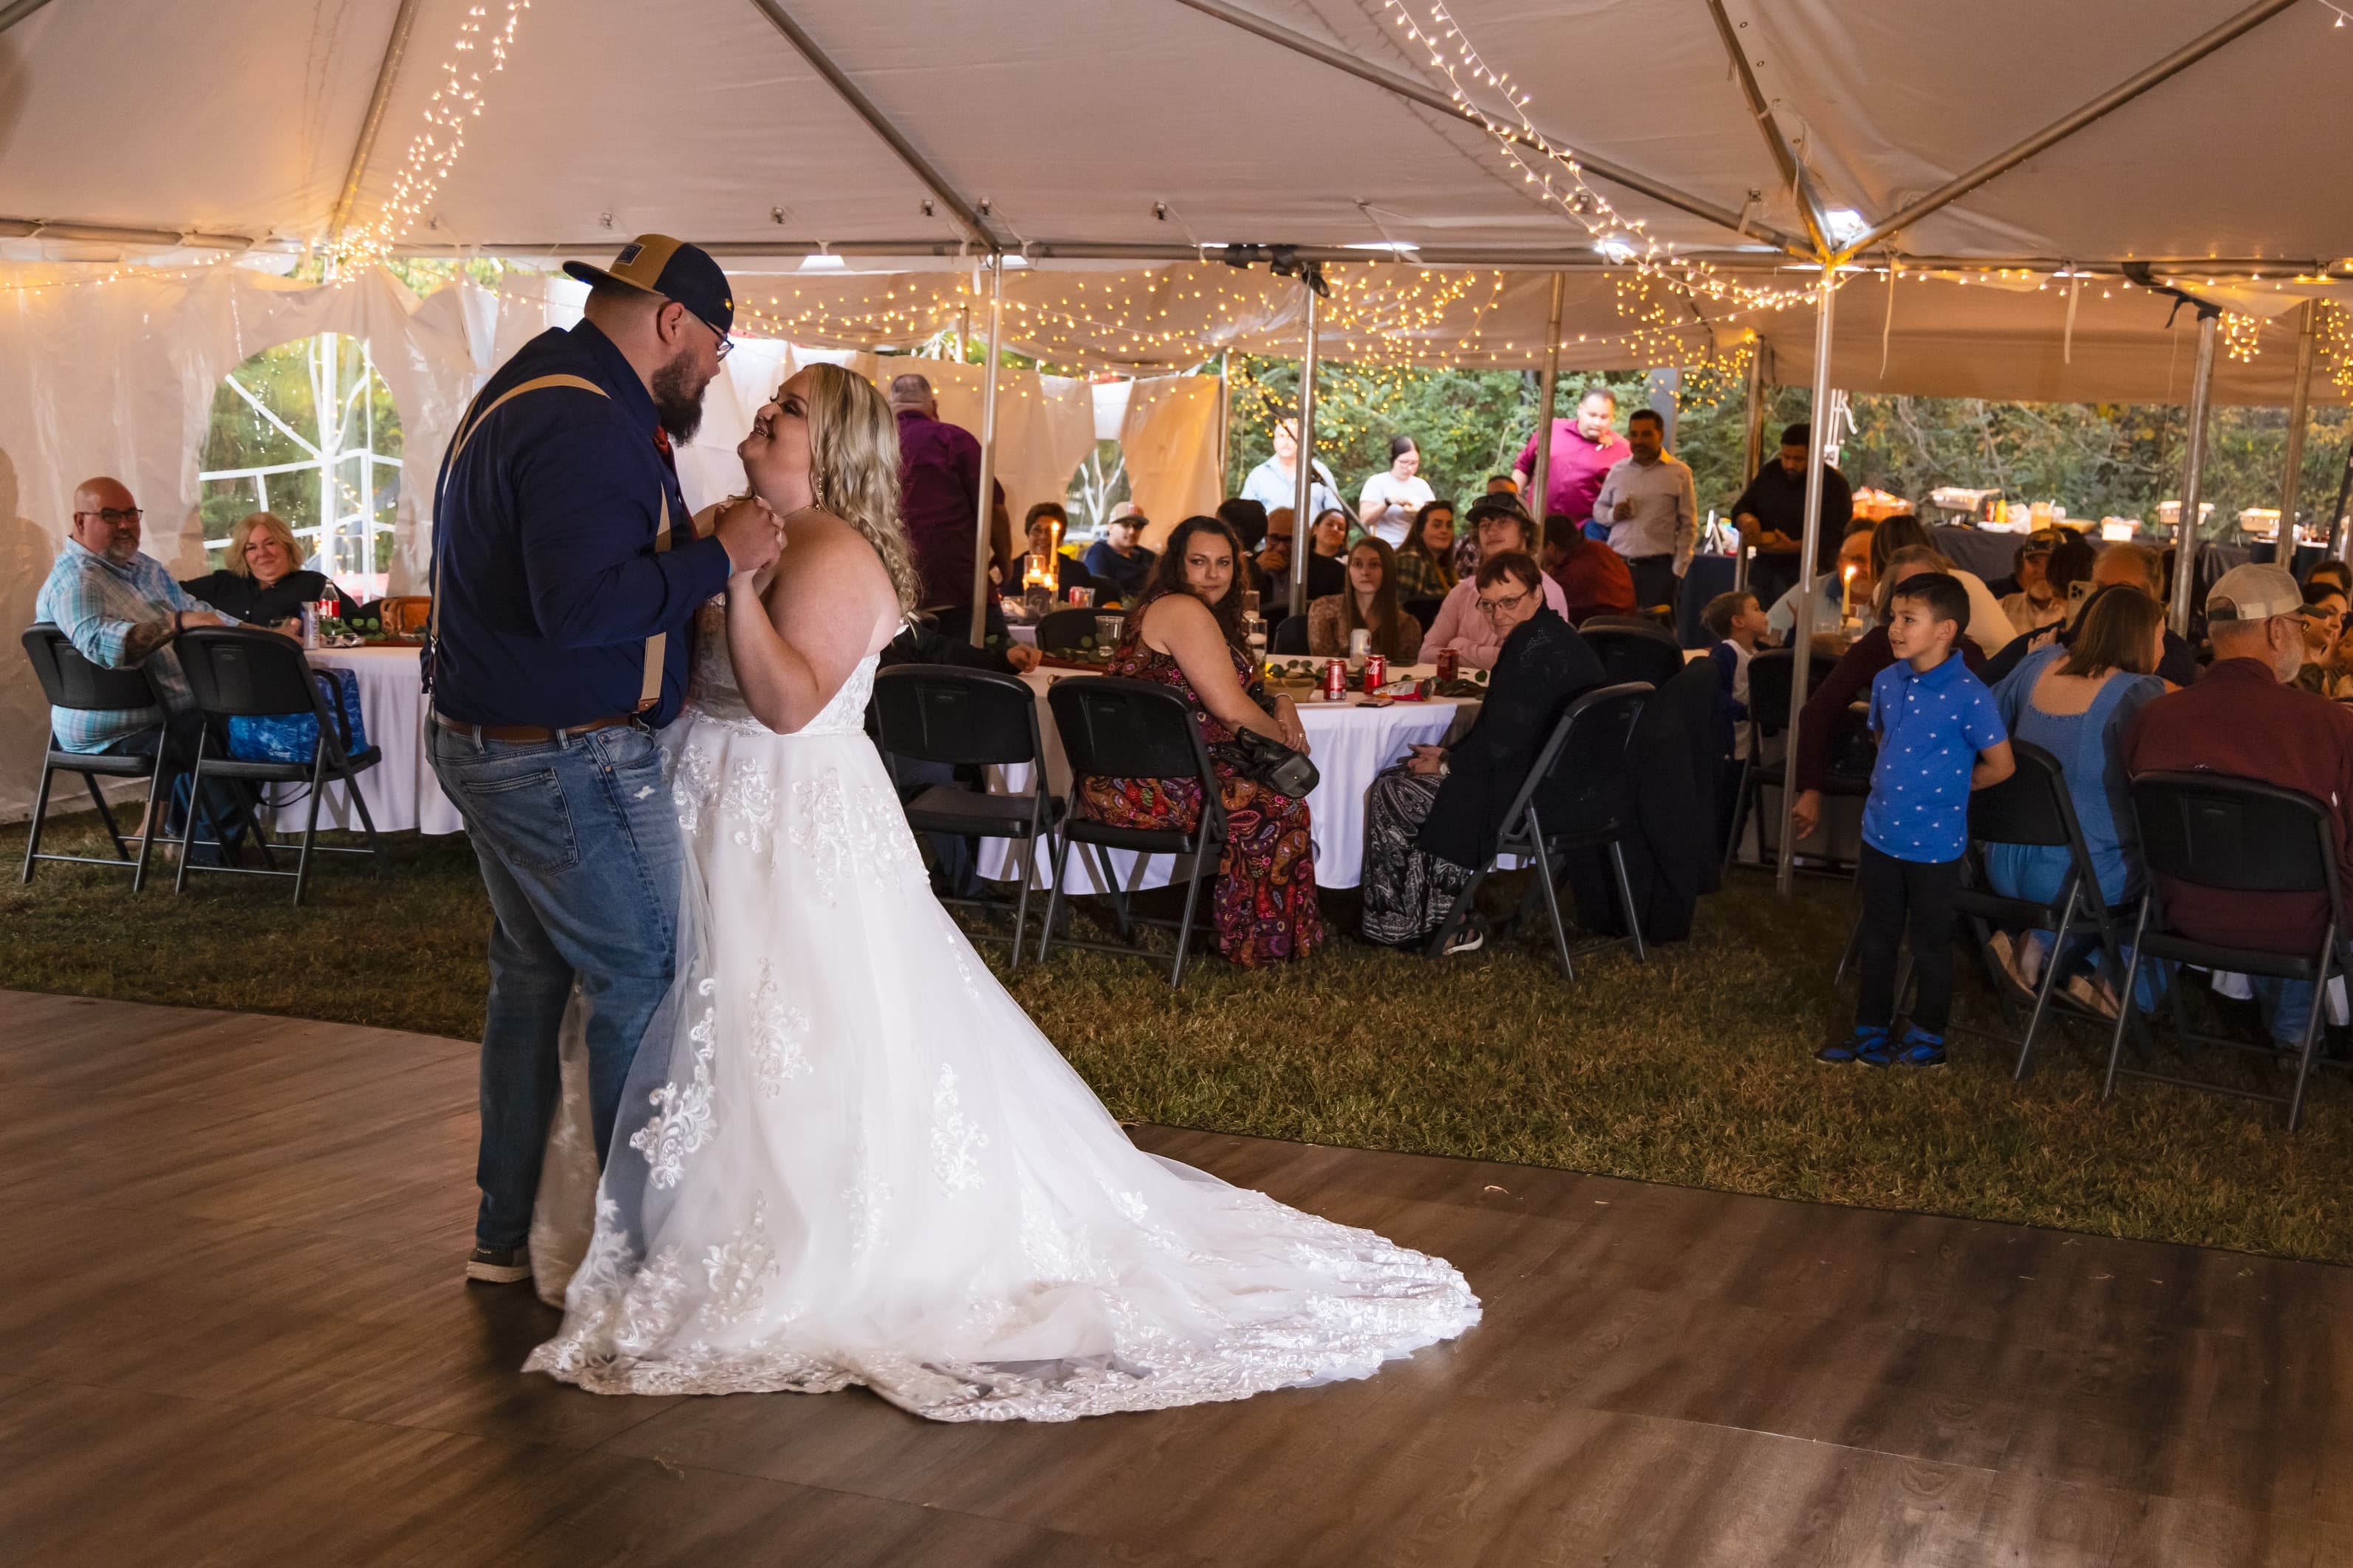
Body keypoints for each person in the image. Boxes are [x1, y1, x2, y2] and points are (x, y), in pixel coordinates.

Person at [523, 368, 1475, 1418]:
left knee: (796, 1016)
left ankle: (795, 1233)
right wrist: (711, 556)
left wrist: (739, 580)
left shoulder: (835, 552)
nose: (762, 411)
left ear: (829, 441)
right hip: (702, 789)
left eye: (786, 407)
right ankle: (666, 1215)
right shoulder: (728, 520)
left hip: (789, 808)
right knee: (690, 1006)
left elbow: (789, 703)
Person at [426, 235, 781, 1287]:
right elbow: (580, 609)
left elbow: (584, 563)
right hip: (562, 754)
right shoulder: (583, 421)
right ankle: (632, 1258)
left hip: (502, 740)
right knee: (647, 978)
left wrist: (687, 540)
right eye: (717, 346)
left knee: (532, 978)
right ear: (675, 320)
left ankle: (508, 1232)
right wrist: (724, 558)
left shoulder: (553, 382)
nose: (717, 371)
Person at [2123, 563, 2353, 1055]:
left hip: (2183, 911)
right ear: (2274, 629)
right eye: (2298, 623)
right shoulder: (2327, 723)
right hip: (2302, 924)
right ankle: (2299, 1036)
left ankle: (2287, 1027)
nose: (2300, 634)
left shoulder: (2153, 717)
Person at [1079, 514, 1326, 968]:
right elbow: (1230, 709)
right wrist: (1288, 744)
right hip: (1143, 787)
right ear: (1178, 564)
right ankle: (1256, 946)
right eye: (1199, 562)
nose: (1213, 574)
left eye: (1224, 563)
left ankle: (1253, 935)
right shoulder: (1181, 609)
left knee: (1272, 792)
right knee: (1277, 799)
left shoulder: (1196, 611)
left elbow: (1244, 692)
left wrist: (1284, 700)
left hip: (1147, 775)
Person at [1817, 572, 2014, 1068]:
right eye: (1893, 618)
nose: (1894, 629)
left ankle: (1928, 1036)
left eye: (1908, 619)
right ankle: (1871, 1030)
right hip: (1881, 832)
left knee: (1928, 941)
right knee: (1879, 935)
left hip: (1934, 843)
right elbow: (1884, 739)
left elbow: (2002, 764)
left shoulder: (1970, 695)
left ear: (1945, 629)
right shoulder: (1887, 680)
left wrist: (1954, 786)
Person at [1360, 551, 1605, 950]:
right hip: (1567, 788)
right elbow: (1507, 733)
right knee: (1408, 781)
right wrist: (1447, 758)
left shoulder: (1530, 647)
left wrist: (1447, 766)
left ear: (1537, 595)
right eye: (1488, 605)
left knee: (1395, 790)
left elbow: (1501, 741)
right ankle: (1432, 917)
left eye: (1510, 601)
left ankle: (1432, 923)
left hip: (1532, 800)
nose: (1498, 614)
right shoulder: (1553, 636)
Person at [33, 476, 244, 849]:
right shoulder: (78, 582)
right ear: (80, 522)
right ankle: (205, 849)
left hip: (162, 713)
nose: (126, 525)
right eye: (111, 515)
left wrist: (265, 636)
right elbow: (101, 646)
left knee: (223, 715)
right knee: (236, 729)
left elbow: (199, 611)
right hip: (111, 729)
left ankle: (183, 835)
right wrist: (175, 624)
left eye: (132, 514)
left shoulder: (142, 567)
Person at [1983, 586, 2168, 1010]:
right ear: (2139, 637)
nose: (2162, 647)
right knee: (2172, 880)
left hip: (2003, 860)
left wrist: (2029, 661)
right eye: (2160, 635)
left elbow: (1982, 720)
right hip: (2079, 879)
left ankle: (2037, 948)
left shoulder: (2039, 663)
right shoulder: (2139, 691)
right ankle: (2097, 974)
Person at [1789, 547, 1993, 853]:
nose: (1917, 598)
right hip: (1893, 792)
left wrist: (1959, 782)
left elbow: (1989, 735)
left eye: (1927, 587)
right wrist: (1811, 789)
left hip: (1951, 798)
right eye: (1906, 592)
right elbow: (1820, 709)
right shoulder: (1879, 648)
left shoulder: (1969, 655)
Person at [1982, 541, 2201, 690]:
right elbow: (1983, 684)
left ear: (2151, 598)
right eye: (2100, 589)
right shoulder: (2054, 640)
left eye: (2123, 592)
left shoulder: (2171, 653)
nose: (2107, 601)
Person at [889, 371, 1011, 610]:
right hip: (959, 586)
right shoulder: (955, 439)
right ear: (934, 405)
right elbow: (993, 507)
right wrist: (1005, 560)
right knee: (987, 648)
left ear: (889, 407)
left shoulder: (875, 444)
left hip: (894, 588)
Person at [1425, 498, 1572, 666]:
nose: (1492, 530)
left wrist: (1458, 647)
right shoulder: (1462, 591)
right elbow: (1426, 654)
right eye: (1484, 524)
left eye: (1503, 522)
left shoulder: (1544, 590)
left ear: (1526, 533)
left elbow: (1531, 659)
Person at [1730, 422, 1853, 614]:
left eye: (1798, 459)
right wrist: (1747, 520)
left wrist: (1796, 546)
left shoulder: (1834, 485)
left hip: (1809, 573)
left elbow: (1836, 535)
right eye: (1785, 457)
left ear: (1814, 456)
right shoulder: (1771, 473)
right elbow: (1742, 507)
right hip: (1765, 571)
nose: (1790, 465)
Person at [1590, 408, 1696, 610]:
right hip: (1618, 565)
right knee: (1615, 627)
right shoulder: (1618, 470)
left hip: (1658, 570)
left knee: (1652, 633)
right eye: (1634, 434)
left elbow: (1688, 525)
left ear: (1660, 435)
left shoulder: (1679, 473)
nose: (1639, 440)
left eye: (1646, 434)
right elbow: (1598, 510)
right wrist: (1614, 514)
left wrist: (1678, 570)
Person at [181, 510, 349, 627]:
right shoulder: (222, 583)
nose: (262, 553)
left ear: (286, 546)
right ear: (243, 554)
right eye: (251, 548)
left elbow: (358, 623)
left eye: (270, 543)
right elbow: (167, 593)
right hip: (222, 675)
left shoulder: (314, 584)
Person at [1511, 386, 1630, 530]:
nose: (1597, 423)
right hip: (1535, 523)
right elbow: (1523, 466)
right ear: (1579, 410)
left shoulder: (1621, 448)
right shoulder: (1553, 429)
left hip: (1583, 531)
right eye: (1592, 415)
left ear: (1612, 417)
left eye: (1604, 417)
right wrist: (1511, 503)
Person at [1308, 536, 1423, 662]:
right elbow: (1323, 666)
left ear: (1389, 570)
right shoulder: (1324, 610)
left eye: (1374, 565)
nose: (1365, 572)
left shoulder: (1407, 625)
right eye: (1358, 564)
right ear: (1349, 570)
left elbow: (1404, 675)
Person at [1766, 525, 1875, 648]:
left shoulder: (1891, 603)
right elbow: (1768, 635)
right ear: (1840, 560)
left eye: (1876, 562)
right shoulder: (1809, 593)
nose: (1867, 570)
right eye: (1859, 560)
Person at [1237, 412, 1343, 522]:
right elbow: (1245, 518)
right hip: (1269, 539)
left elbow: (1335, 514)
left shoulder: (1320, 472)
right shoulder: (1258, 475)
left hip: (1309, 539)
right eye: (1281, 436)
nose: (1285, 442)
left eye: (1291, 437)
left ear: (1301, 441)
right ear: (1274, 442)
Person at [1538, 513, 1635, 626]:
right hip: (1631, 626)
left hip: (1600, 636)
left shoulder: (1569, 578)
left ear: (1550, 547)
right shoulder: (1601, 548)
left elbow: (1545, 607)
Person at [1357, 434, 1436, 548]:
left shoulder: (1422, 485)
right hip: (1385, 548)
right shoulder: (1377, 482)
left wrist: (1419, 513)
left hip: (1416, 549)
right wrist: (1387, 503)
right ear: (1394, 459)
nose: (1409, 468)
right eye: (1404, 462)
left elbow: (1434, 518)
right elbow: (1365, 519)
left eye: (1414, 463)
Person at [1007, 502, 1093, 598]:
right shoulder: (1011, 570)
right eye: (1037, 530)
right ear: (1028, 535)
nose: (1043, 537)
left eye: (1050, 531)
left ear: (1060, 539)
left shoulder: (1077, 572)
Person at [1260, 505, 1345, 601]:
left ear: (1304, 541)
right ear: (1265, 538)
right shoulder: (1249, 568)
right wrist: (1256, 572)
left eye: (1289, 540)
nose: (1281, 548)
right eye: (1274, 538)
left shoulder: (1333, 573)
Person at [1995, 530, 2066, 637]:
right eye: (2034, 562)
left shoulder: (2075, 614)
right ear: (2022, 565)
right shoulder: (2003, 607)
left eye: (2050, 562)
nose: (2042, 570)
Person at [2290, 578, 2349, 698]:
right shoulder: (2283, 662)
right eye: (2330, 613)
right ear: (2304, 611)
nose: (2337, 624)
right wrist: (2321, 665)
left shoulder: (2341, 669)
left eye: (2342, 618)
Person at [1081, 507, 1156, 600]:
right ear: (1110, 527)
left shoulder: (1149, 557)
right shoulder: (1099, 554)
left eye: (1138, 526)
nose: (1132, 531)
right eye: (1125, 525)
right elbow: (1100, 594)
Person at [1393, 499, 1457, 600]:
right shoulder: (1412, 560)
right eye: (1437, 525)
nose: (1444, 530)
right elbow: (1400, 611)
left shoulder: (1442, 566)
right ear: (1420, 531)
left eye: (1449, 526)